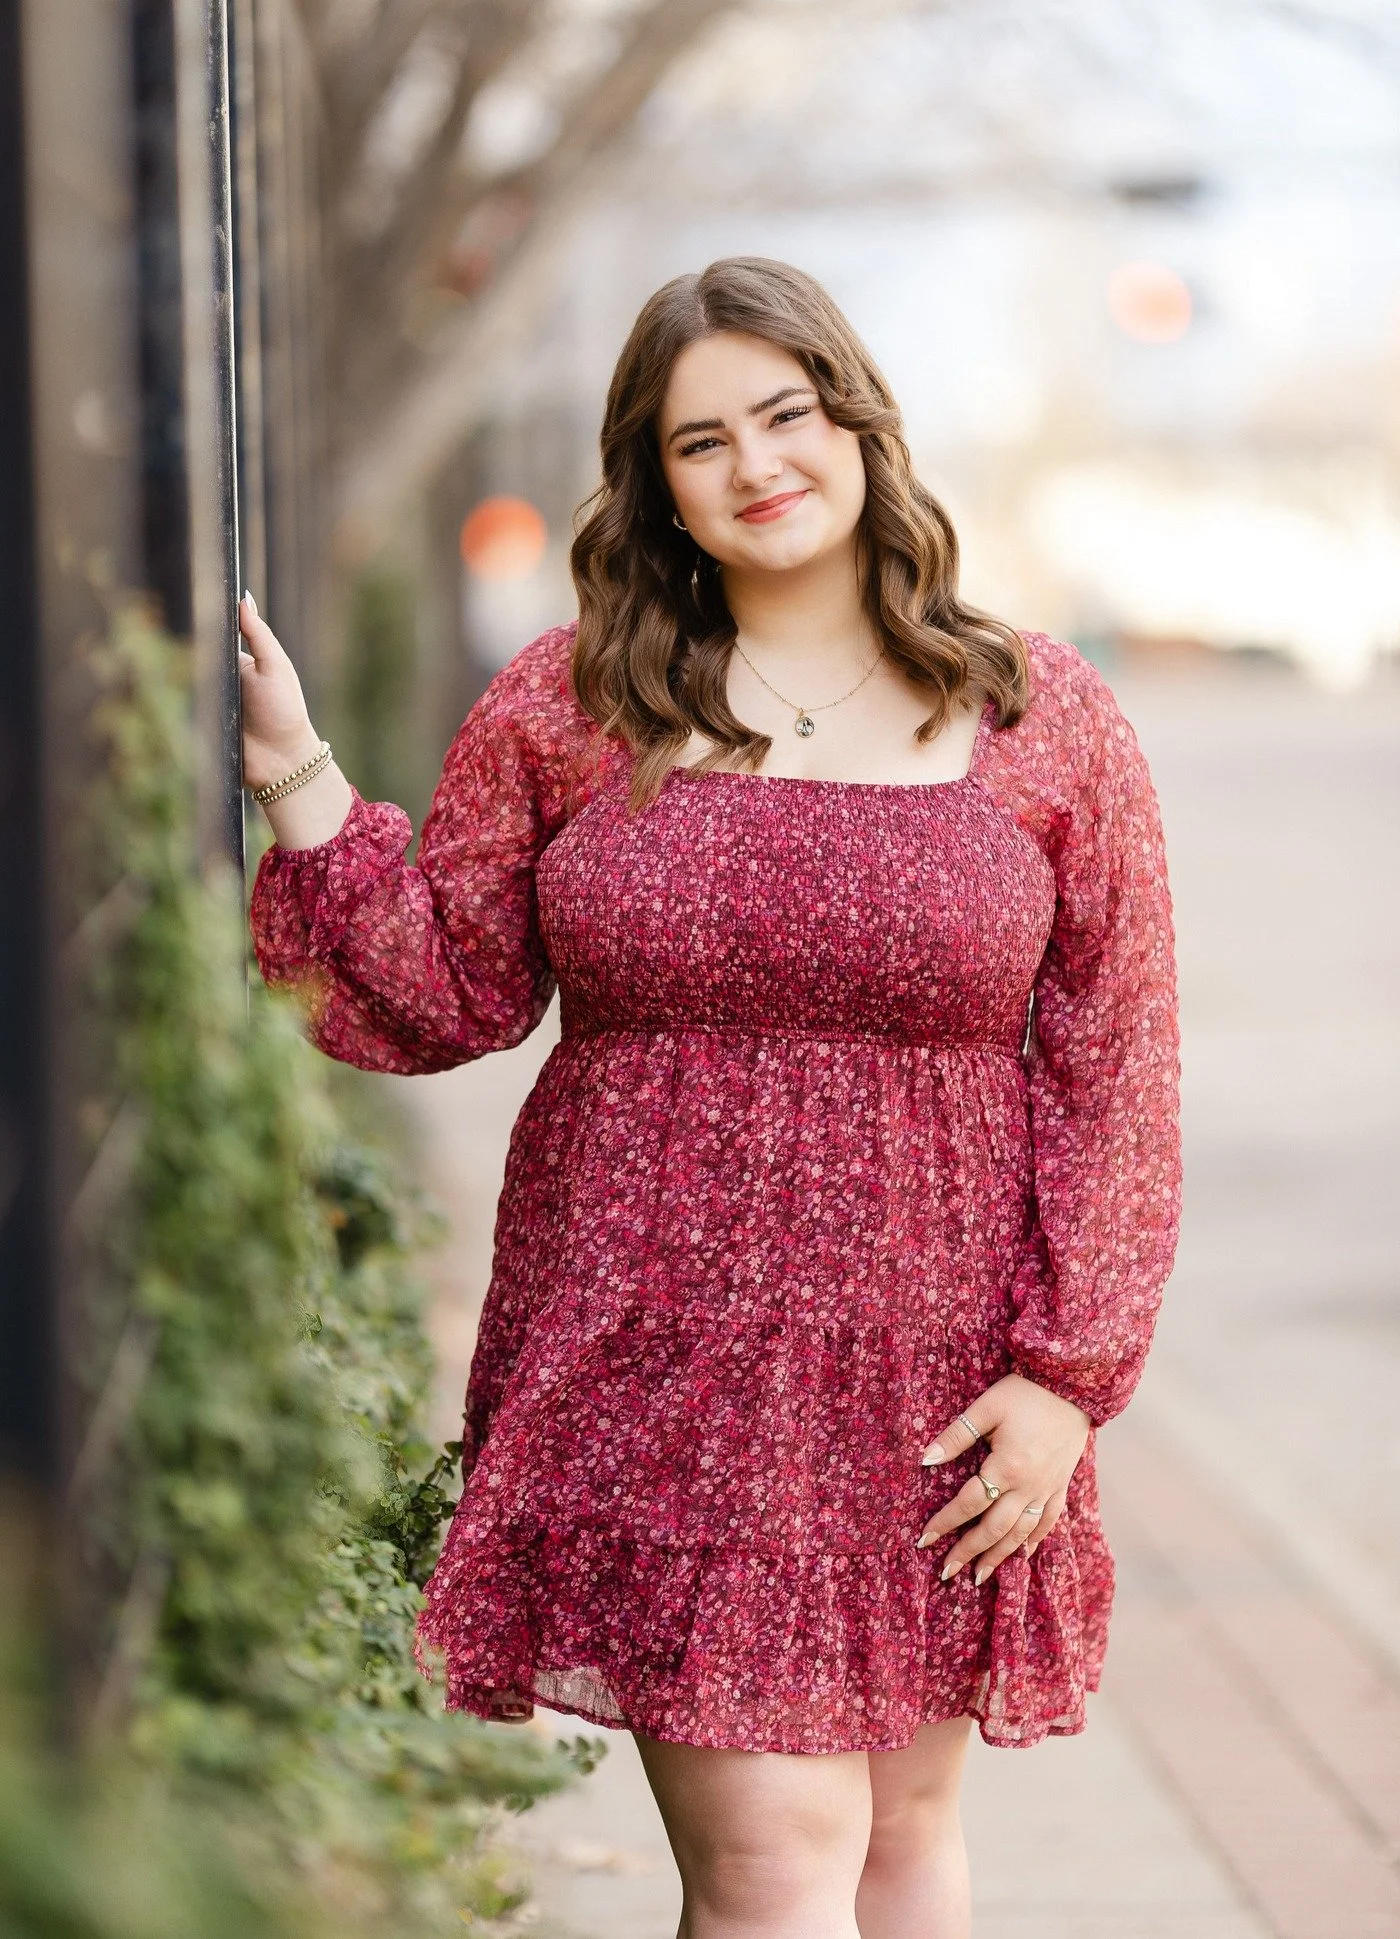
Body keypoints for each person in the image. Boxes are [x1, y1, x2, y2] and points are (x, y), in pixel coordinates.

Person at [242, 256, 1181, 1939]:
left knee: (902, 1838)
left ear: (858, 423)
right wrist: (301, 776)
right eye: (700, 441)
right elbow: (444, 987)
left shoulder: (1042, 717)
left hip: (936, 1375)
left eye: (785, 413)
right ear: (655, 483)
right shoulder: (574, 702)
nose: (756, 463)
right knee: (770, 1861)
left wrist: (1068, 1377)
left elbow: (1117, 1064)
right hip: (657, 1362)